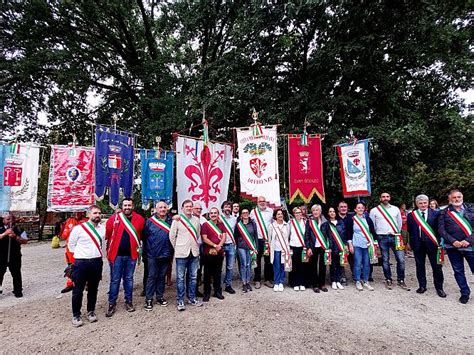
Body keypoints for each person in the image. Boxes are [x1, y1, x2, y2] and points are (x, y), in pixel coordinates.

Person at [105, 198, 145, 317]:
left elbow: (142, 235)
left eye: (129, 205)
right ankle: (112, 303)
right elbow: (108, 233)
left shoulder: (139, 219)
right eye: (125, 205)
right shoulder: (114, 218)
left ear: (133, 206)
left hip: (131, 255)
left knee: (129, 279)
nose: (127, 207)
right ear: (122, 206)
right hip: (116, 255)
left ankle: (129, 302)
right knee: (115, 280)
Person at [67, 205, 105, 327]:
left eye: (99, 213)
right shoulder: (79, 229)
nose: (97, 215)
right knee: (78, 290)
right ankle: (76, 314)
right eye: (95, 213)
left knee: (93, 289)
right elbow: (71, 245)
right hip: (81, 263)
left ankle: (91, 311)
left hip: (96, 261)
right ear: (89, 214)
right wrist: (81, 255)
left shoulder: (102, 229)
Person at [438, 189, 474, 304]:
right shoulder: (444, 212)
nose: (456, 199)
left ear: (462, 197)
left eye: (458, 197)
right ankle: (465, 293)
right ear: (449, 199)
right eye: (454, 197)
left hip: (470, 246)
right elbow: (441, 230)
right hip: (453, 247)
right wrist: (453, 241)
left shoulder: (471, 209)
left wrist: (468, 240)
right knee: (458, 271)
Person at [407, 194, 445, 297]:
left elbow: (440, 229)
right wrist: (411, 243)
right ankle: (422, 286)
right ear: (417, 204)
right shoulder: (411, 215)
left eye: (425, 203)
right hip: (418, 244)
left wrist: (441, 243)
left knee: (436, 267)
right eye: (420, 203)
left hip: (433, 244)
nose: (423, 205)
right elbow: (410, 231)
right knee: (420, 266)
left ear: (428, 203)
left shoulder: (436, 214)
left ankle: (439, 288)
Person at [370, 192, 409, 290]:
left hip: (395, 236)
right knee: (385, 260)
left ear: (390, 198)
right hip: (382, 237)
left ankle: (401, 279)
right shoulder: (374, 211)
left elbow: (399, 223)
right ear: (380, 198)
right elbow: (372, 226)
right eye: (383, 197)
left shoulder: (395, 209)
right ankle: (388, 279)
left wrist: (396, 233)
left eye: (387, 196)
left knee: (401, 259)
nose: (385, 198)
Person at [169, 200, 203, 311]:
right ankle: (180, 300)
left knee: (193, 277)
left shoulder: (196, 220)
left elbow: (197, 234)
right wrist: (178, 247)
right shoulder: (177, 220)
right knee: (180, 278)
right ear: (182, 208)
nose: (189, 208)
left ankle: (192, 298)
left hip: (194, 252)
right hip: (181, 253)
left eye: (190, 206)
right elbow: (172, 236)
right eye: (186, 206)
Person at [143, 201, 174, 311]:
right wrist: (145, 254)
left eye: (164, 207)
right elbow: (144, 237)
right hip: (152, 254)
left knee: (162, 277)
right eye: (160, 207)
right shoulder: (149, 222)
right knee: (152, 277)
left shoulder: (172, 220)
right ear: (156, 209)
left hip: (166, 253)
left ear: (167, 209)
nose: (162, 209)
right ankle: (149, 299)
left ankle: (160, 296)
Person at [347, 202, 377, 291]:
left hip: (367, 244)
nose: (360, 209)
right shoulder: (351, 219)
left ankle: (366, 281)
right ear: (355, 210)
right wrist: (350, 245)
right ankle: (358, 281)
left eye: (362, 208)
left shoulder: (368, 219)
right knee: (357, 263)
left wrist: (375, 243)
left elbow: (372, 231)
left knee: (367, 264)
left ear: (364, 209)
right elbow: (349, 233)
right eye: (358, 208)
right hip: (357, 245)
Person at [201, 207, 226, 301]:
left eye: (215, 213)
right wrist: (215, 245)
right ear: (209, 215)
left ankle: (217, 292)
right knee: (207, 273)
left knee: (218, 272)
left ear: (218, 214)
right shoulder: (205, 225)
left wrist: (220, 245)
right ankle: (206, 293)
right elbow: (204, 238)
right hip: (208, 252)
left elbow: (224, 236)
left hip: (219, 252)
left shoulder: (221, 224)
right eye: (211, 213)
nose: (213, 214)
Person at [59, 212, 88, 293]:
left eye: (78, 211)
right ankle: (70, 283)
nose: (76, 213)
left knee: (84, 266)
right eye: (75, 211)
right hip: (70, 249)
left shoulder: (87, 221)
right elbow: (64, 235)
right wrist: (63, 226)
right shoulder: (70, 221)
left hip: (83, 249)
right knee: (71, 266)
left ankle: (87, 283)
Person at [0, 214, 28, 297]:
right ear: (3, 219)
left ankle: (18, 291)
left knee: (16, 273)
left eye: (12, 219)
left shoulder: (19, 228)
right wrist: (5, 233)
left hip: (15, 255)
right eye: (8, 219)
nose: (10, 221)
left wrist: (15, 236)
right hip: (1, 256)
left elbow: (25, 241)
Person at [250, 196, 274, 289]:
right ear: (257, 202)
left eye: (263, 201)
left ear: (266, 202)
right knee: (257, 260)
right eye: (260, 201)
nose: (262, 202)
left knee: (268, 260)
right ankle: (257, 279)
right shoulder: (253, 212)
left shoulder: (271, 211)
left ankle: (268, 279)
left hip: (268, 240)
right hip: (258, 240)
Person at [305, 204, 329, 293]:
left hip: (322, 246)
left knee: (323, 266)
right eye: (314, 210)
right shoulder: (309, 221)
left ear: (320, 211)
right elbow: (306, 235)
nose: (315, 212)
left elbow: (328, 235)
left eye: (317, 210)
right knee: (313, 266)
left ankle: (322, 284)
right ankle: (315, 285)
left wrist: (328, 247)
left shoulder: (325, 222)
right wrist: (308, 247)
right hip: (313, 246)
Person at [322, 207, 347, 290]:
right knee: (332, 265)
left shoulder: (341, 223)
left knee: (340, 264)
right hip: (331, 248)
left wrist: (345, 244)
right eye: (330, 211)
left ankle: (338, 281)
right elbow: (324, 237)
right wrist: (327, 247)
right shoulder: (325, 224)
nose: (332, 213)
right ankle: (333, 281)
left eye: (333, 211)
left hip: (340, 247)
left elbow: (344, 235)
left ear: (336, 213)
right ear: (328, 213)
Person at [234, 208, 258, 292]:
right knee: (243, 265)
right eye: (243, 213)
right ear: (241, 215)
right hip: (241, 247)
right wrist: (237, 246)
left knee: (249, 265)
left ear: (249, 214)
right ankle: (244, 283)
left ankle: (248, 282)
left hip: (250, 247)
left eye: (246, 212)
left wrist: (256, 247)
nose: (245, 214)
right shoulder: (238, 225)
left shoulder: (253, 224)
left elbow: (255, 236)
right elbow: (235, 236)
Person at [269, 209, 290, 292]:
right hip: (276, 249)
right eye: (278, 214)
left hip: (284, 249)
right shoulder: (272, 226)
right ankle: (276, 282)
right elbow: (269, 238)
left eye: (281, 214)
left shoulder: (287, 225)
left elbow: (287, 237)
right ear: (275, 216)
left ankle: (281, 282)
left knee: (283, 266)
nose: (280, 215)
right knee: (276, 266)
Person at [289, 207, 307, 291]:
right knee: (295, 266)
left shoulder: (305, 222)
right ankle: (295, 283)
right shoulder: (290, 223)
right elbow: (288, 235)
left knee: (303, 265)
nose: (298, 214)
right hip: (293, 246)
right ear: (294, 214)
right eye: (296, 212)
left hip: (303, 247)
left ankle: (302, 283)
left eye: (299, 212)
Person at [221, 201, 237, 294]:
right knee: (219, 266)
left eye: (229, 207)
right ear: (222, 208)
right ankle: (218, 285)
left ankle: (228, 285)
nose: (227, 208)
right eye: (226, 206)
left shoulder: (234, 219)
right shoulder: (219, 218)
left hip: (231, 245)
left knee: (230, 267)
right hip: (221, 245)